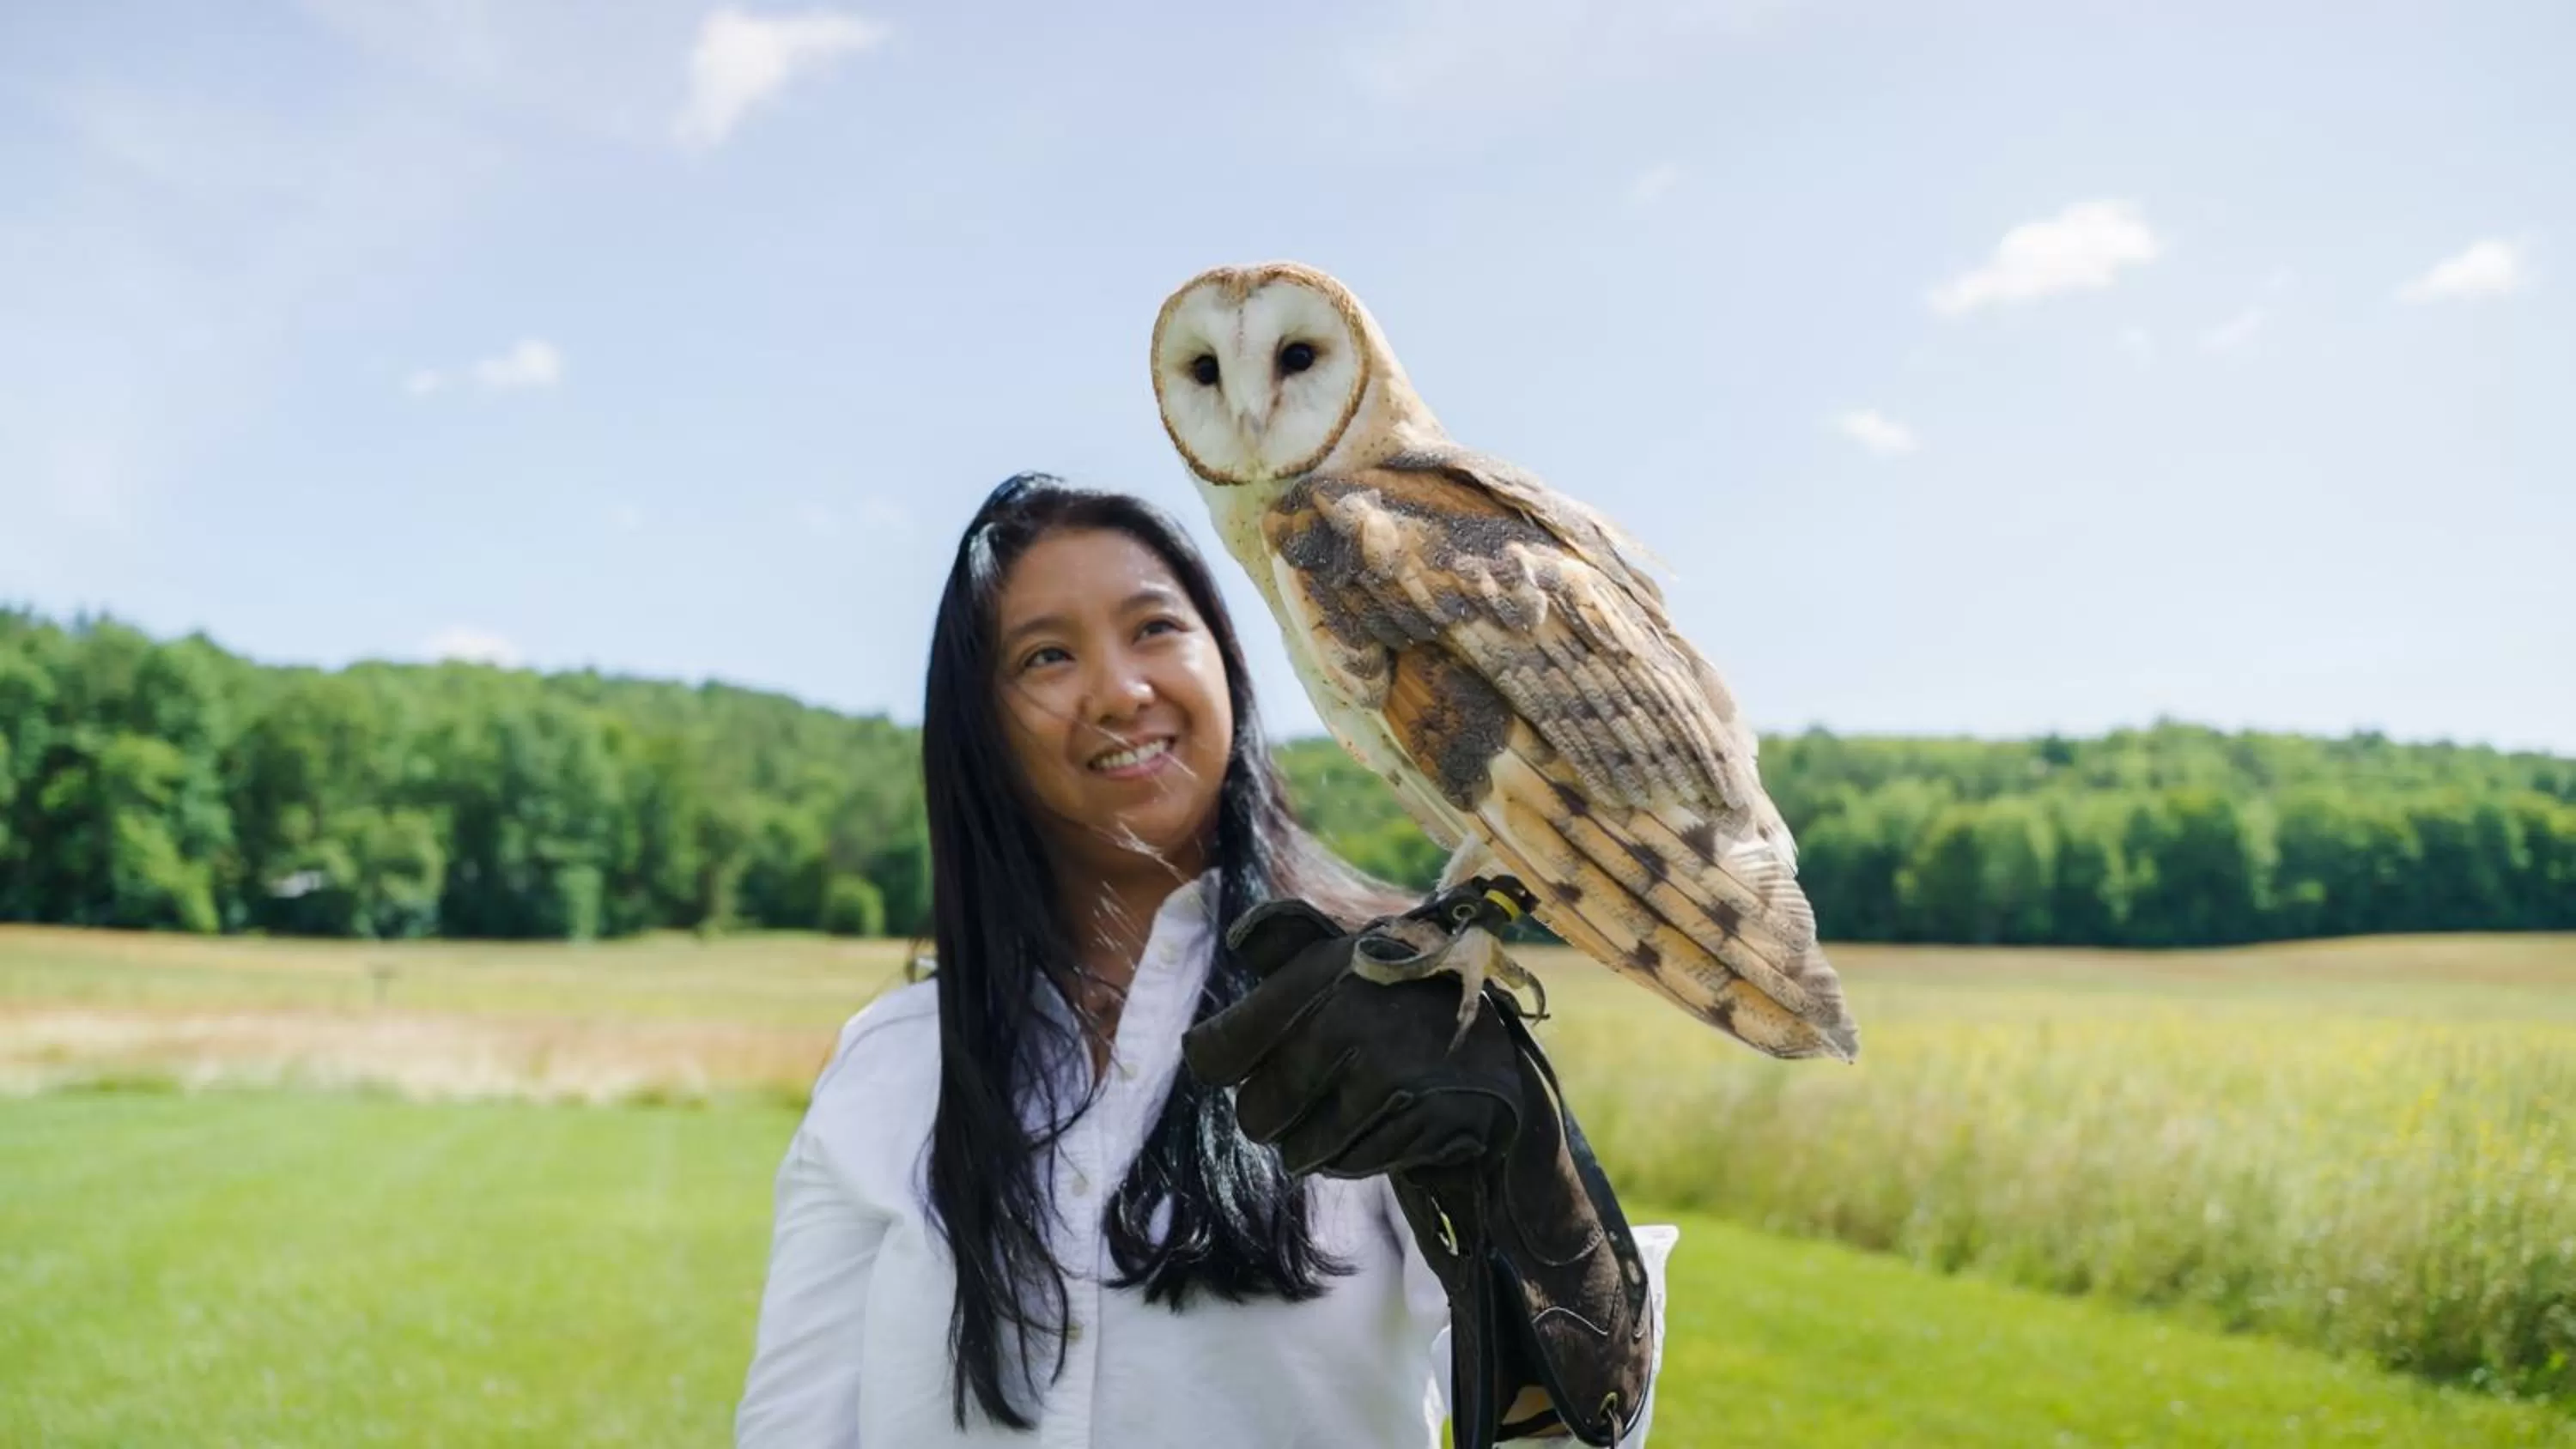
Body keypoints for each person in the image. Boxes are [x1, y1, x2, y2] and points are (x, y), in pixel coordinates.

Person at [732, 473, 1675, 1447]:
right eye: (1047, 654)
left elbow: (1574, 1437)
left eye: (1154, 628)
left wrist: (1528, 1191)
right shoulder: (892, 1058)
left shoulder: (1394, 1000)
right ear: (981, 725)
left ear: (1228, 661)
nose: (1119, 690)